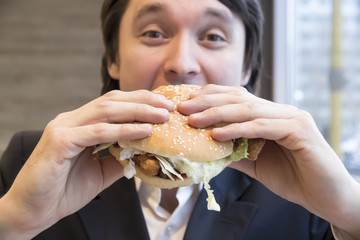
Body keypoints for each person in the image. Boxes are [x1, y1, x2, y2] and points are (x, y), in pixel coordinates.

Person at [0, 0, 359, 239]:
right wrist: (14, 221)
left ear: (247, 67)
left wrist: (350, 211)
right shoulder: (34, 159)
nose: (181, 63)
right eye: (154, 33)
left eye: (213, 36)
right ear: (114, 59)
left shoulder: (303, 179)